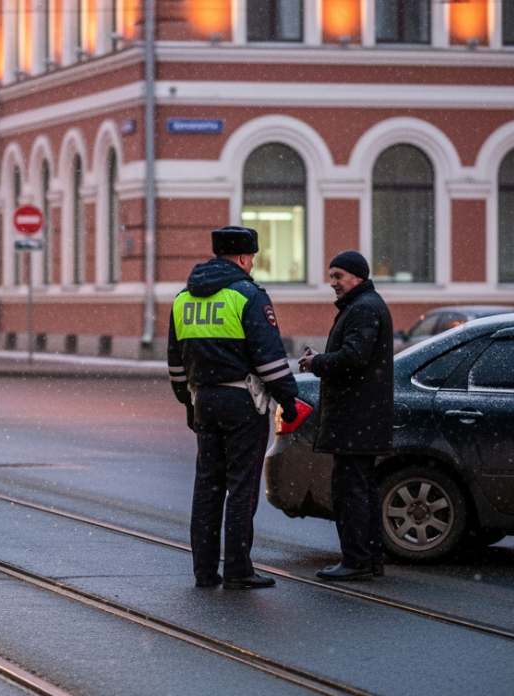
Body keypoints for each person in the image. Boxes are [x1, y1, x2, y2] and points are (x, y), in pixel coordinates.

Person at [168, 226, 299, 590]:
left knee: (208, 486)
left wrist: (188, 402)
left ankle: (205, 571)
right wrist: (288, 402)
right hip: (243, 401)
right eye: (252, 258)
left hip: (204, 400)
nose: (252, 264)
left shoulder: (183, 299)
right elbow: (270, 360)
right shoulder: (249, 295)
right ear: (244, 257)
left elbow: (175, 364)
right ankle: (239, 569)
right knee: (241, 487)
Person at [298, 250, 393, 581]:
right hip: (361, 418)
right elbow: (355, 355)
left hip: (356, 418)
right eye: (331, 275)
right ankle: (367, 559)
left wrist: (317, 364)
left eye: (339, 276)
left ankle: (356, 560)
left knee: (350, 490)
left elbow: (354, 357)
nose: (333, 283)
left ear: (358, 277)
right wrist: (324, 359)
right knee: (362, 488)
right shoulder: (364, 305)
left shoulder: (364, 308)